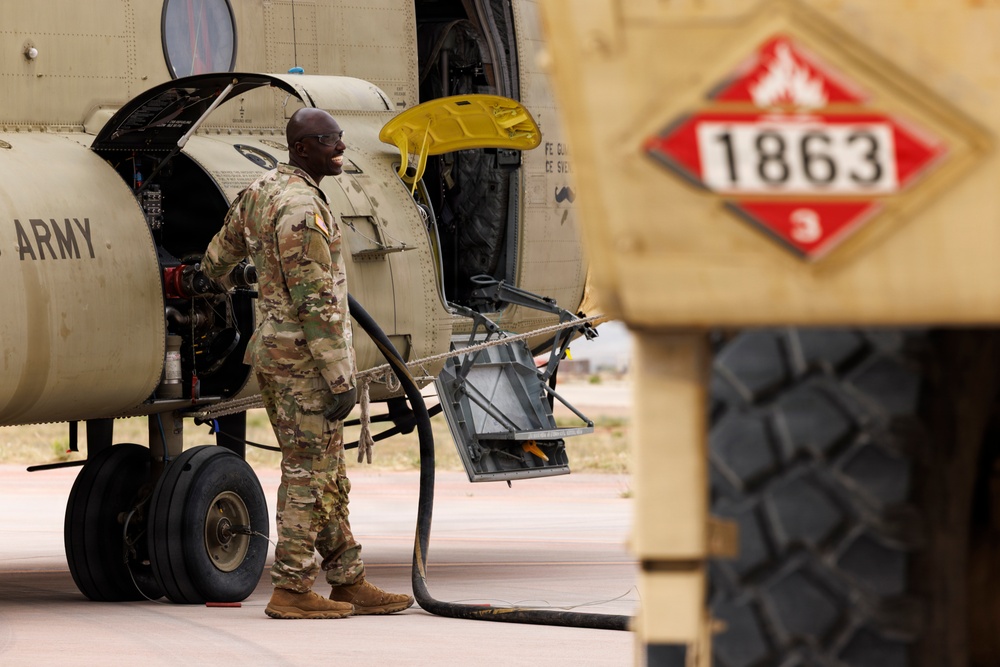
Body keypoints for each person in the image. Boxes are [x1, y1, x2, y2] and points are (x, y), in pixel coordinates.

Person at [201, 107, 414, 619]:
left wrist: (250, 282)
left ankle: (347, 578)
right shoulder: (300, 208)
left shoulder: (261, 192)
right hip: (305, 365)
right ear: (301, 148)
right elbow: (315, 302)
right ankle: (292, 588)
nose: (340, 147)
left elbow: (215, 262)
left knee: (327, 471)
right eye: (328, 141)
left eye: (339, 138)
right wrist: (341, 377)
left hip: (278, 354)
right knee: (308, 475)